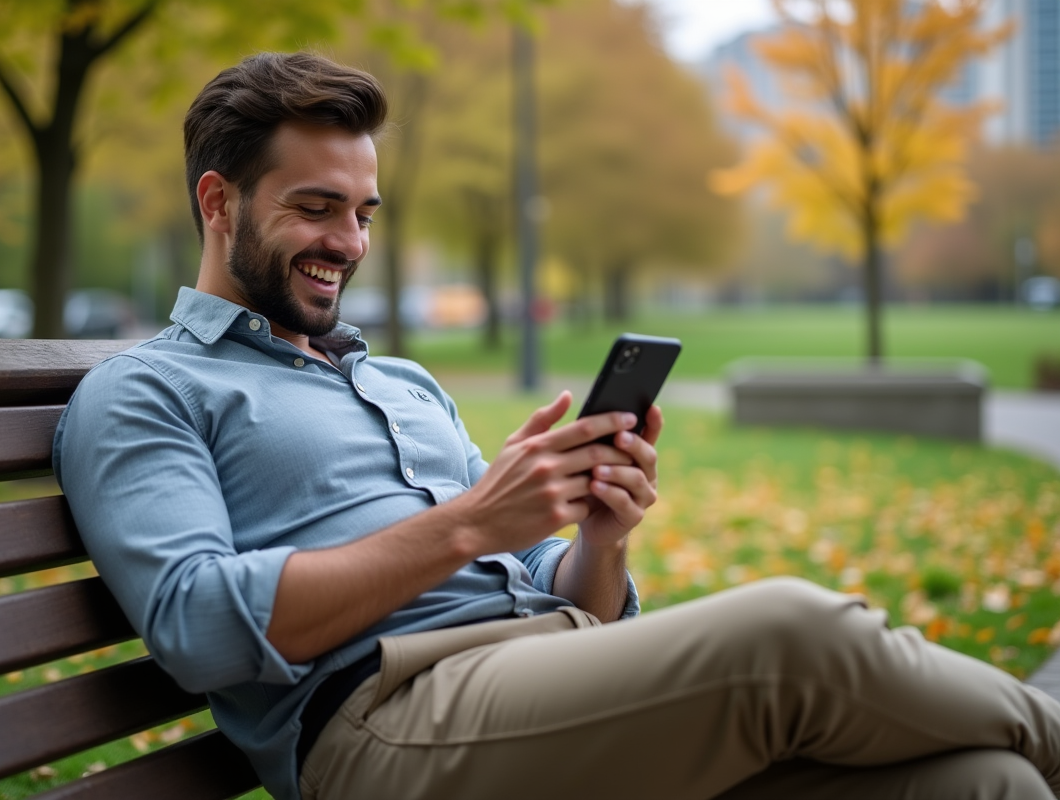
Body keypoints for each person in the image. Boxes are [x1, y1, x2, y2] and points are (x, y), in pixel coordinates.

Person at [54, 51, 1060, 800]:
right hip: (385, 726)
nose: (349, 242)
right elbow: (196, 626)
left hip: (547, 689)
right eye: (318, 207)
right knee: (793, 634)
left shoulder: (399, 381)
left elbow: (564, 592)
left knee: (984, 784)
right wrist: (466, 524)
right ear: (218, 201)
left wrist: (600, 539)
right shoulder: (147, 390)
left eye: (364, 212)